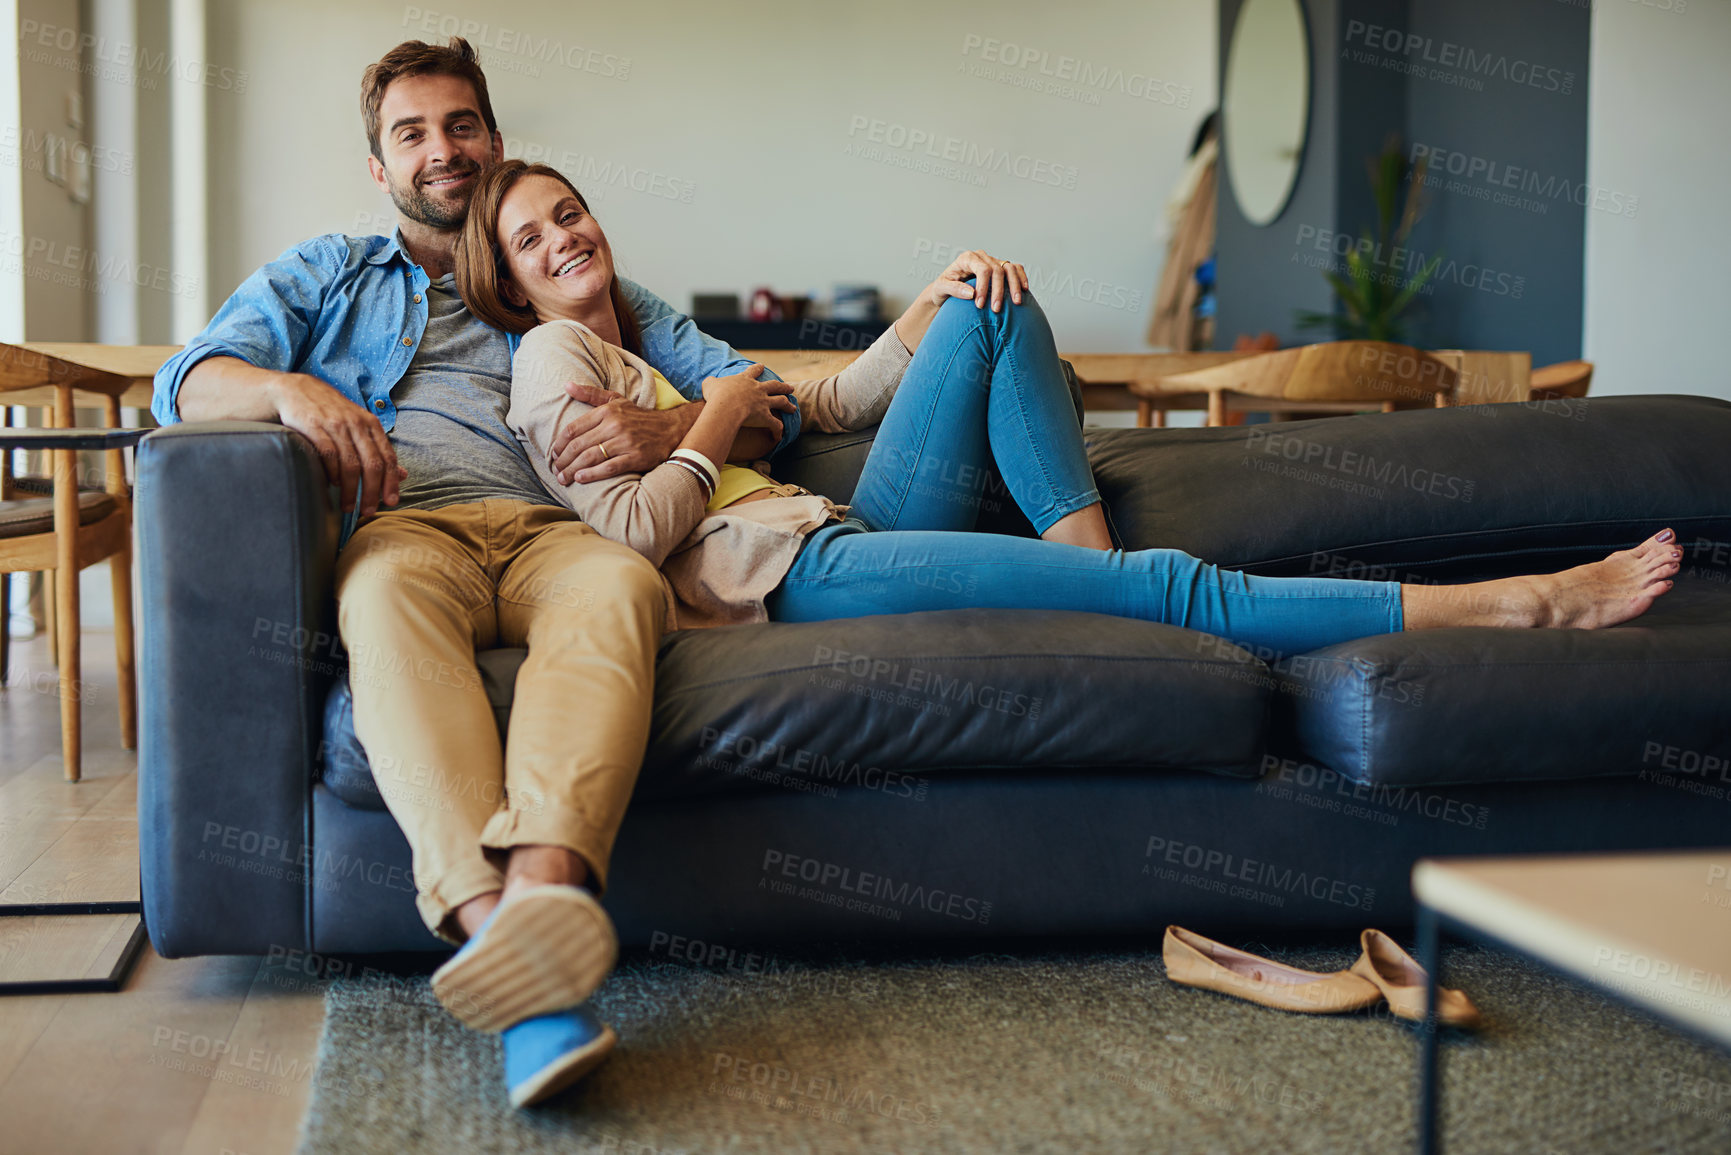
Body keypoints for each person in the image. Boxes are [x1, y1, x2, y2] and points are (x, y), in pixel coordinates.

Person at [151, 39, 772, 1108]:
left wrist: (658, 425)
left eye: (462, 126)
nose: (443, 151)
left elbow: (762, 397)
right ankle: (507, 940)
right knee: (381, 602)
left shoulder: (573, 273)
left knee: (624, 586)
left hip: (556, 532)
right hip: (409, 532)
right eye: (413, 134)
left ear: (494, 139)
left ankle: (538, 888)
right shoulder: (328, 273)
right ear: (380, 167)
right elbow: (184, 385)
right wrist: (293, 393)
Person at [456, 159, 1682, 650]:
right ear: (505, 282)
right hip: (792, 576)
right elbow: (626, 533)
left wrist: (924, 307)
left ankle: (1088, 564)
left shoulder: (658, 345)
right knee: (1171, 586)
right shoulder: (553, 362)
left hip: (835, 520)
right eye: (530, 236)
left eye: (568, 211)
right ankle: (1521, 604)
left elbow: (822, 402)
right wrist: (720, 414)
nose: (564, 236)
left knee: (995, 298)